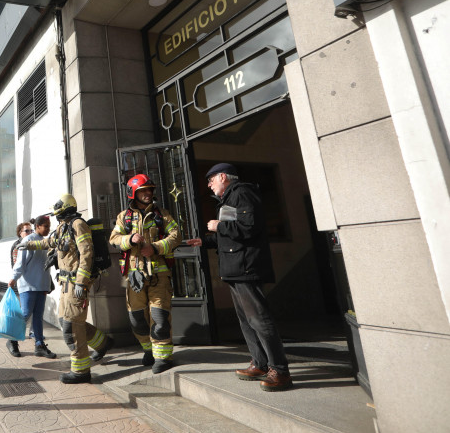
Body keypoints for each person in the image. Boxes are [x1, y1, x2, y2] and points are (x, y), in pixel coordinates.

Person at [185, 163, 292, 392]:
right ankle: (260, 364)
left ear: (223, 176)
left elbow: (249, 227)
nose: (209, 185)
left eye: (211, 179)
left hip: (246, 268)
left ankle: (279, 370)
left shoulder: (242, 192)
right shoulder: (230, 198)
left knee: (259, 320)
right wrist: (206, 240)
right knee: (246, 322)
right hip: (235, 269)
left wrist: (218, 226)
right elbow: (234, 235)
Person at [19, 194, 113, 384]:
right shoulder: (63, 226)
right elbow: (48, 243)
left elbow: (87, 253)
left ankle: (81, 371)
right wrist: (28, 243)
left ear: (65, 210)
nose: (56, 217)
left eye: (58, 213)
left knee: (71, 326)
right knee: (66, 320)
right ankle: (103, 343)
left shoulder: (78, 224)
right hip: (66, 284)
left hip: (76, 283)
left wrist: (81, 281)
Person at [109, 174, 182, 373]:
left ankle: (163, 358)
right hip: (134, 277)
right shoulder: (123, 216)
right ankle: (149, 349)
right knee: (137, 319)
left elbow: (176, 236)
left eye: (150, 190)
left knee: (159, 317)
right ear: (133, 193)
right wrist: (129, 239)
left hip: (160, 276)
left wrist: (156, 248)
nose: (148, 193)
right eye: (143, 190)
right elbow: (114, 238)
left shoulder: (162, 214)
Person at [7, 217, 57, 359]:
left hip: (41, 285)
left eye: (49, 226)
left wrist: (48, 283)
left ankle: (39, 345)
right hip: (28, 285)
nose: (48, 229)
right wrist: (13, 278)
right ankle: (12, 339)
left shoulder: (47, 242)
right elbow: (20, 262)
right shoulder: (28, 240)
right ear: (38, 226)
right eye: (45, 226)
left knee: (38, 316)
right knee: (25, 313)